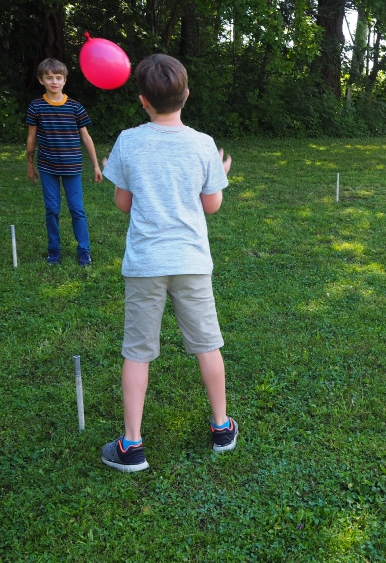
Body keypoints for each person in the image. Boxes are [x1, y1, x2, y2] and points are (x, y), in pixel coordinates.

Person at [100, 54, 236, 472]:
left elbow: (123, 204)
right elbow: (212, 205)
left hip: (145, 263)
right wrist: (219, 171)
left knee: (137, 351)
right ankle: (221, 428)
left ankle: (132, 446)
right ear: (186, 95)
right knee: (207, 344)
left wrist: (119, 173)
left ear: (143, 100)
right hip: (191, 262)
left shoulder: (127, 141)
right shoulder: (203, 144)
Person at [26, 58, 102, 266]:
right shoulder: (36, 106)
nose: (54, 82)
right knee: (52, 209)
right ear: (41, 80)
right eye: (49, 78)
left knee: (77, 210)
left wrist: (96, 165)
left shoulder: (75, 107)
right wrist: (30, 164)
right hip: (47, 166)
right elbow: (31, 138)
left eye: (58, 78)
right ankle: (54, 250)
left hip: (72, 166)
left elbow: (86, 137)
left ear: (64, 80)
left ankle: (84, 250)